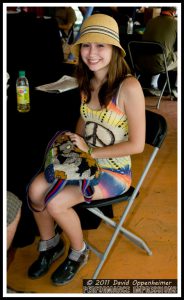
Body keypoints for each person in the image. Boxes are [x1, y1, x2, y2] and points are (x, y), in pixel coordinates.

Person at [27, 13, 145, 286]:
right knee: (35, 191)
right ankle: (50, 243)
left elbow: (137, 145)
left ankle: (78, 253)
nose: (91, 53)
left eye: (100, 45)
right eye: (86, 45)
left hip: (115, 172)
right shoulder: (87, 78)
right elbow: (83, 117)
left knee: (56, 203)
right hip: (85, 160)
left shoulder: (129, 87)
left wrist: (89, 152)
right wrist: (75, 141)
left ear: (115, 49)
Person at [142, 6, 177, 97]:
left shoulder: (151, 21)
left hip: (140, 63)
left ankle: (153, 84)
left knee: (160, 54)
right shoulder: (175, 23)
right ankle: (176, 88)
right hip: (160, 64)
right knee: (165, 55)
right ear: (173, 12)